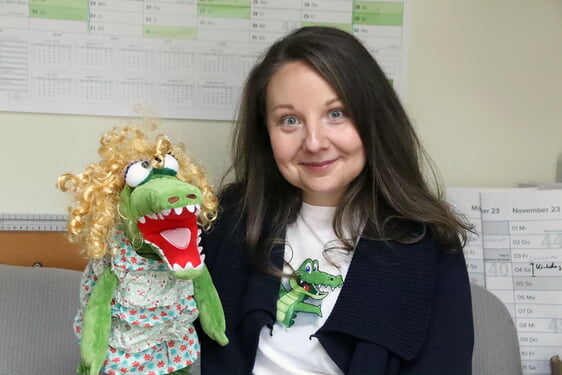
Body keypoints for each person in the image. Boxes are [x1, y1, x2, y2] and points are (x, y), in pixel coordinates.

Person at [198, 26, 474, 375]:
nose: (314, 142)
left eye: (336, 113)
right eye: (290, 120)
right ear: (266, 134)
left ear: (372, 119)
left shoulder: (429, 245)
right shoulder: (226, 221)